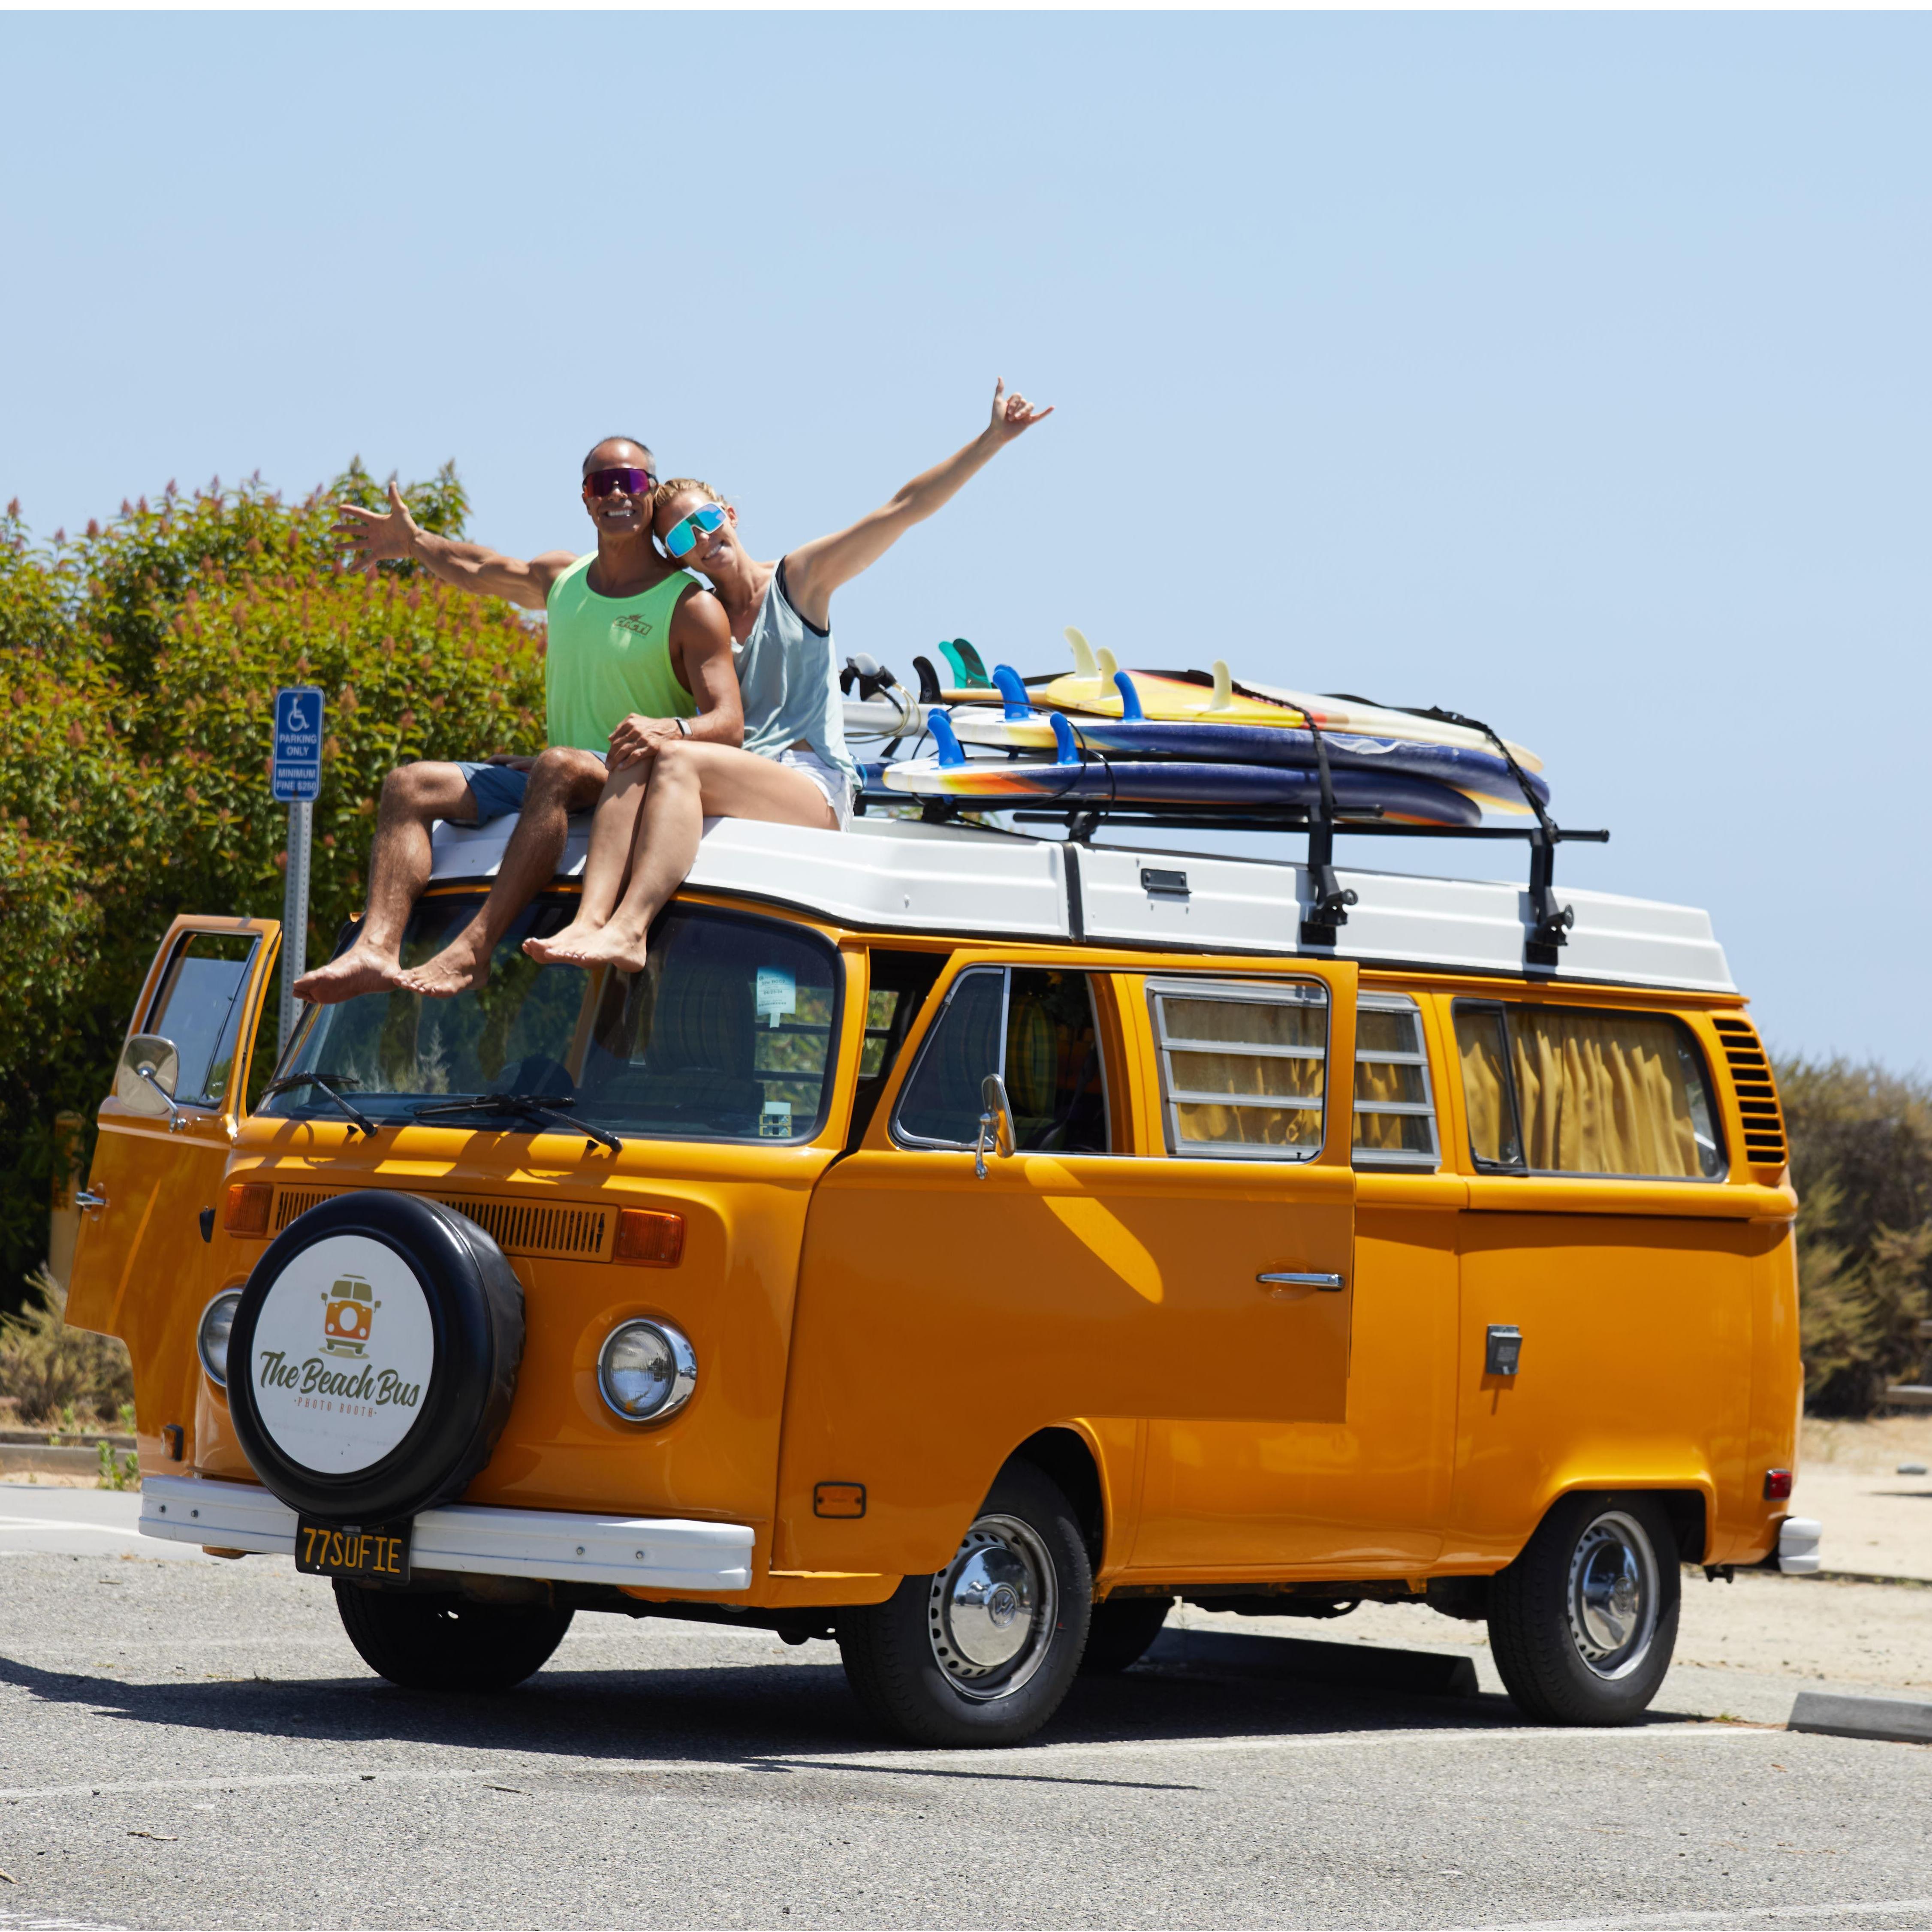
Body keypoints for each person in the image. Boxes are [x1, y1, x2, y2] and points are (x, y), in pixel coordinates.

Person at [526, 379, 1051, 974]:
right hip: (738, 778)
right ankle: (591, 921)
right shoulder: (698, 617)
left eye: (704, 518)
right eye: (679, 535)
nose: (700, 537)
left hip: (811, 784)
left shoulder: (798, 581)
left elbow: (900, 511)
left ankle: (628, 928)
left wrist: (990, 440)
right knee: (641, 753)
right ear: (674, 556)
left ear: (729, 513)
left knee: (673, 754)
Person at [291, 437, 738, 1004]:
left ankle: (474, 951)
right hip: (562, 776)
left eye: (629, 481)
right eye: (602, 484)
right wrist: (412, 542)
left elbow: (728, 724)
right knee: (410, 785)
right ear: (585, 498)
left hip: (628, 783)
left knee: (557, 764)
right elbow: (480, 568)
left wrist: (668, 729)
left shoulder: (689, 604)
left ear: (650, 490)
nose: (617, 493)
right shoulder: (564, 578)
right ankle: (375, 948)